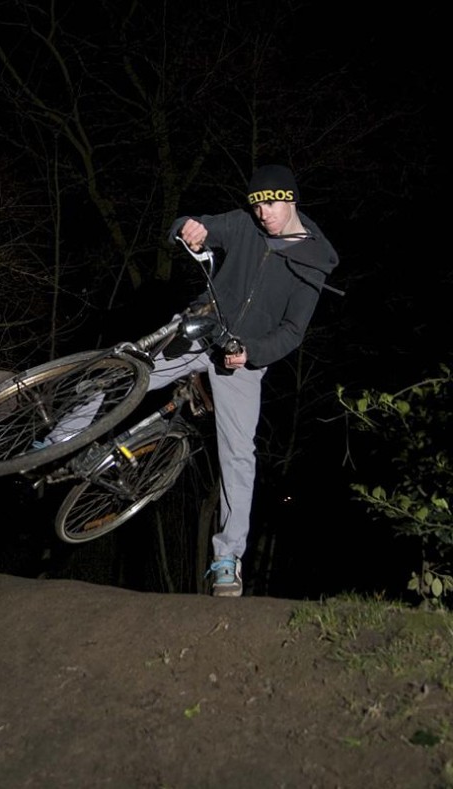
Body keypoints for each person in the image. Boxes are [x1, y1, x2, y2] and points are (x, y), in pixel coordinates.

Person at [145, 164, 339, 597]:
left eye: (270, 205)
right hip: (202, 328)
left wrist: (252, 352)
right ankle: (55, 435)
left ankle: (227, 558)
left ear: (291, 200)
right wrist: (188, 228)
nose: (263, 215)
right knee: (130, 369)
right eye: (257, 206)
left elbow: (292, 331)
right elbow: (194, 226)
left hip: (241, 361)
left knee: (238, 455)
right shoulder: (243, 224)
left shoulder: (312, 262)